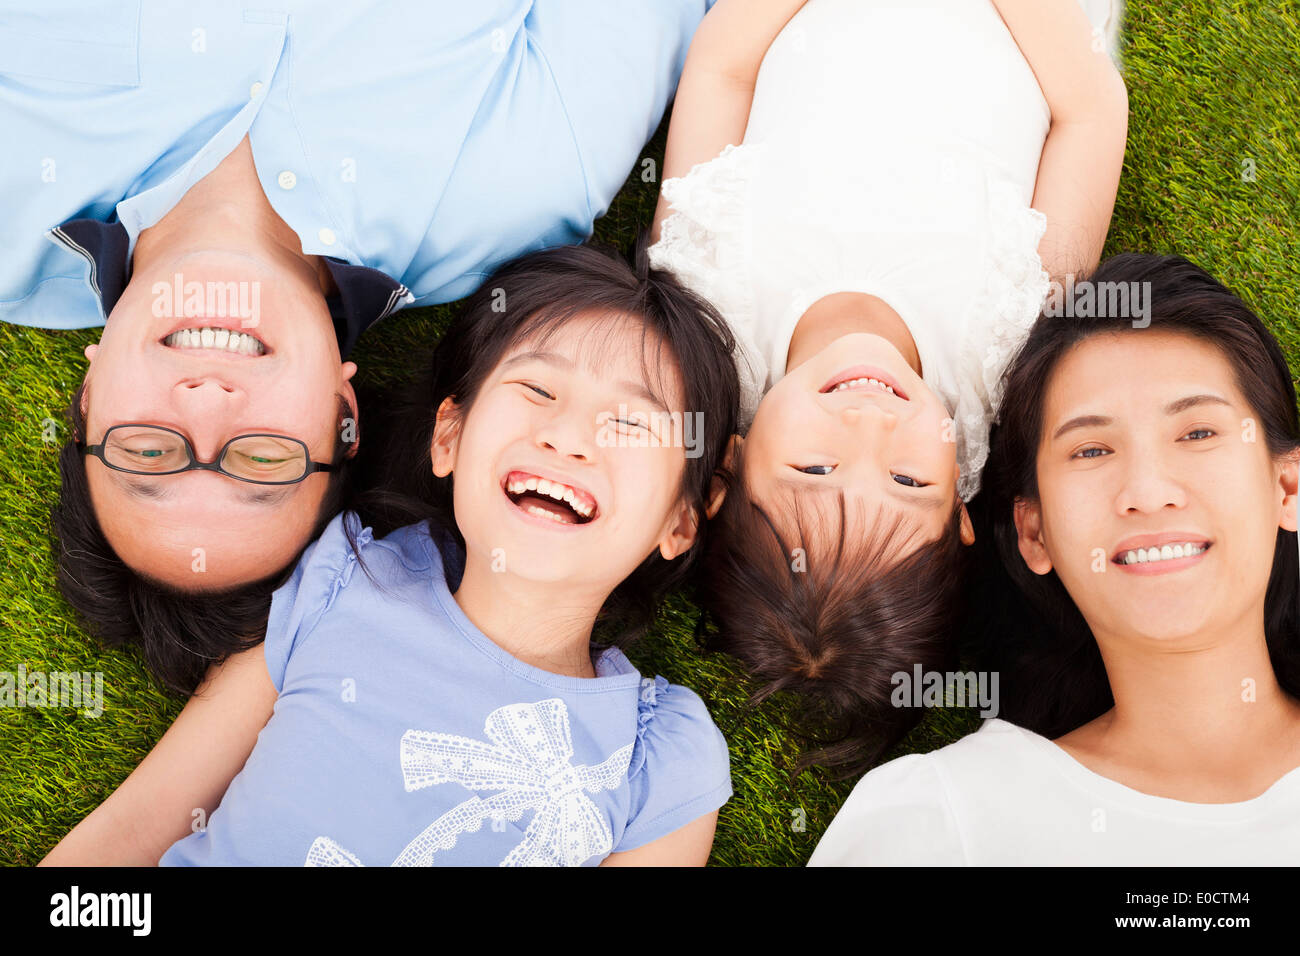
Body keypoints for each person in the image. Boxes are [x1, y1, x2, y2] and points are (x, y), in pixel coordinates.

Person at [0, 0, 716, 693]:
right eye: (261, 458)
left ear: (87, 400)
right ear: (342, 414)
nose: (208, 403)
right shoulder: (518, 190)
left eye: (149, 451)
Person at [41, 242, 740, 866]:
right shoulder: (337, 586)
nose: (567, 435)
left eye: (628, 421)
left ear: (681, 520)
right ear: (450, 437)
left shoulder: (658, 764)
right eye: (537, 388)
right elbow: (133, 830)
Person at [647, 0, 1128, 774]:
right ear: (961, 516)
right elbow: (1089, 114)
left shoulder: (706, 296)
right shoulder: (1013, 351)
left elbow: (722, 71)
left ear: (728, 470)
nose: (867, 425)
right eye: (908, 479)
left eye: (814, 468)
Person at [810, 254, 1300, 864]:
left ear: (1287, 488)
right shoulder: (946, 820)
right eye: (1092, 450)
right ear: (1033, 532)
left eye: (1198, 433)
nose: (1147, 493)